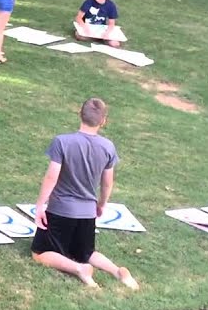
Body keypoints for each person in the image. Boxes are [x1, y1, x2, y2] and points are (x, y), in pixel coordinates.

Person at [30, 97, 140, 289]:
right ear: (103, 121)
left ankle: (79, 269)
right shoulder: (108, 147)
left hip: (60, 211)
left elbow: (51, 177)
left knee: (39, 253)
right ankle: (117, 271)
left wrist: (40, 205)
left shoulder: (62, 142)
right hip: (87, 213)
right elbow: (107, 183)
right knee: (86, 251)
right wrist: (101, 204)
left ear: (79, 114)